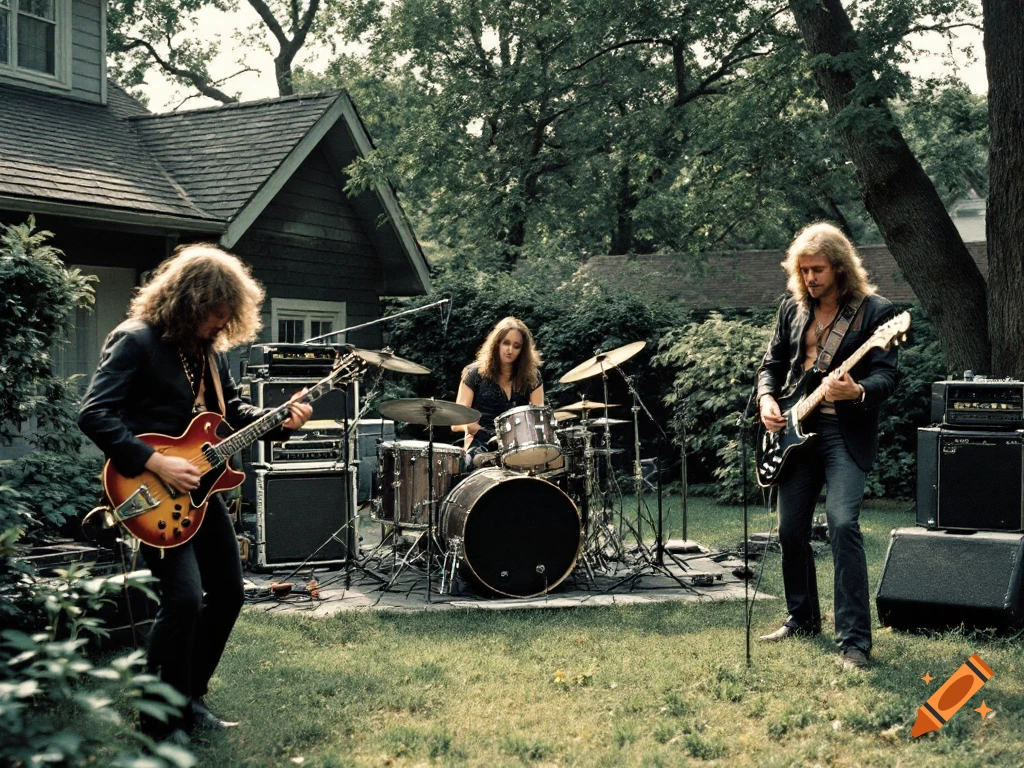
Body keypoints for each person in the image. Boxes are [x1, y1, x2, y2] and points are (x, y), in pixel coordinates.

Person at [78, 243, 312, 743]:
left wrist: (281, 420)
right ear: (187, 301)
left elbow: (231, 416)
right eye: (213, 313)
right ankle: (157, 719)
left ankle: (190, 698)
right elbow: (94, 414)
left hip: (202, 493)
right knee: (184, 599)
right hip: (151, 492)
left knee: (228, 594)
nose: (220, 323)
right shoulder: (135, 340)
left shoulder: (208, 351)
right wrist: (156, 461)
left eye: (227, 315)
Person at [755, 222, 899, 671]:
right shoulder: (793, 309)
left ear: (839, 267)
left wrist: (857, 390)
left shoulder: (876, 312)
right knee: (789, 530)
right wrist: (766, 399)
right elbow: (771, 364)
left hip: (843, 434)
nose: (810, 278)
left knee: (841, 523)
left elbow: (887, 376)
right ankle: (802, 617)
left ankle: (854, 641)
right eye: (803, 271)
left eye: (817, 269)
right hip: (795, 431)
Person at [453, 317, 545, 467]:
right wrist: (468, 426)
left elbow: (539, 418)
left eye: (516, 346)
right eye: (506, 343)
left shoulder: (532, 377)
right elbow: (455, 422)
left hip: (518, 447)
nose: (510, 350)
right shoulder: (474, 374)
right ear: (497, 344)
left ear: (523, 350)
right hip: (481, 445)